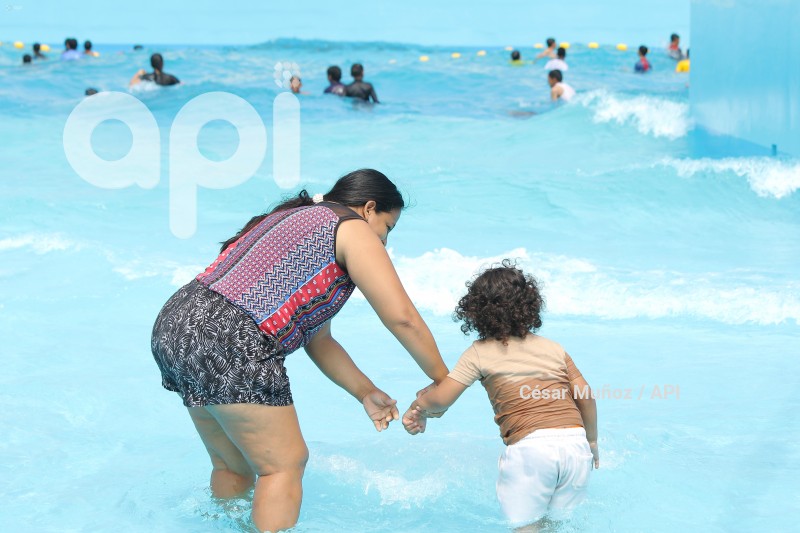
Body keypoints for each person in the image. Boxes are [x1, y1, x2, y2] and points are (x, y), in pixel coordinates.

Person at [150, 169, 449, 533]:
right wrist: (442, 380)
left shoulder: (296, 218)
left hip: (177, 324)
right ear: (369, 208)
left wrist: (366, 392)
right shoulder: (350, 225)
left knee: (233, 466)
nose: (384, 242)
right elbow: (403, 319)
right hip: (230, 335)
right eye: (387, 229)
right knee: (283, 466)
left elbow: (318, 339)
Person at [403, 261, 598, 530]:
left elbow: (441, 399)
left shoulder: (480, 352)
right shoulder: (555, 349)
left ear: (476, 312)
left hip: (532, 449)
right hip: (576, 447)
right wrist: (592, 442)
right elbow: (586, 396)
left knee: (526, 527)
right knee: (557, 526)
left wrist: (419, 407)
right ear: (530, 306)